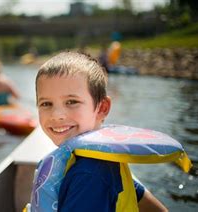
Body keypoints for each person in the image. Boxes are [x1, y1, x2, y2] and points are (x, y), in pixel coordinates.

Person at [33, 51, 167, 211]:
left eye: (71, 101)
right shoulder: (97, 157)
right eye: (46, 104)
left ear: (102, 108)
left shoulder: (90, 174)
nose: (57, 115)